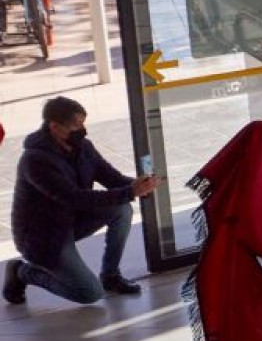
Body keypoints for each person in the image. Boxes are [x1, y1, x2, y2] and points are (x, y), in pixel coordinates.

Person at [4, 96, 157, 304]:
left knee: (122, 209)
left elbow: (111, 178)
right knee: (89, 293)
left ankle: (110, 275)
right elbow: (74, 198)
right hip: (44, 235)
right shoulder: (35, 160)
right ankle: (22, 271)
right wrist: (131, 192)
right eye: (76, 125)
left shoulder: (84, 147)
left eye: (83, 123)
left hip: (72, 220)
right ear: (55, 127)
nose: (82, 130)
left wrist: (139, 186)